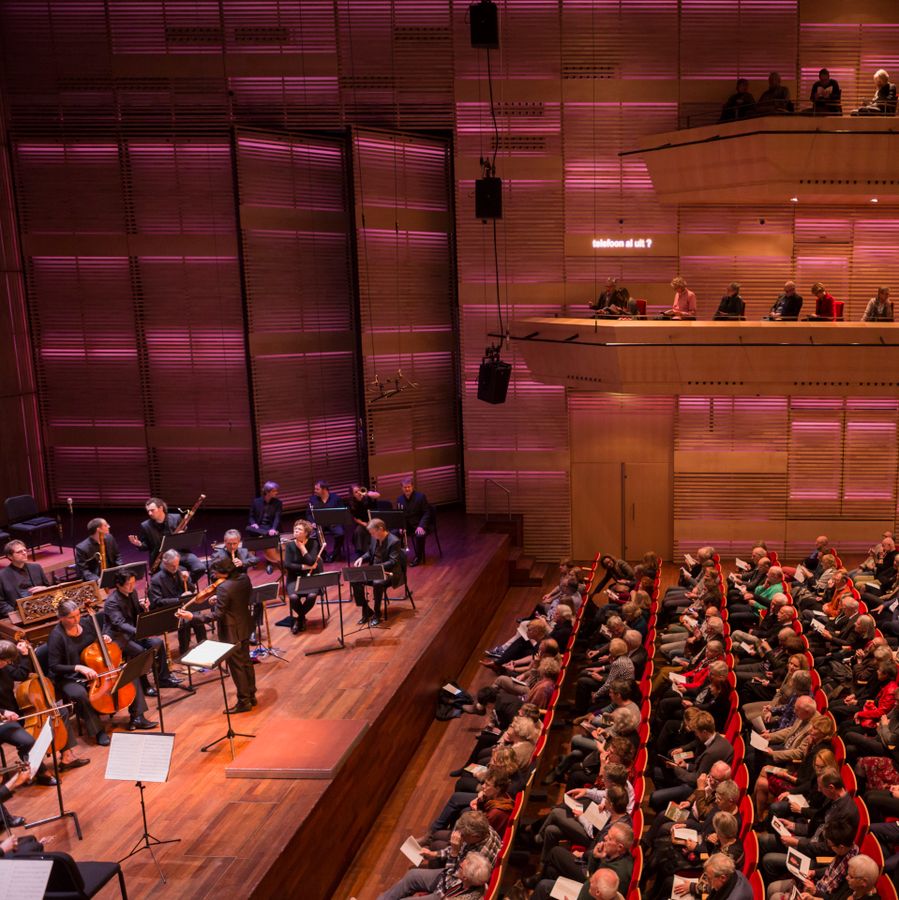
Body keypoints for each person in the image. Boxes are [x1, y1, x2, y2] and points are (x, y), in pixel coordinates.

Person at [47, 599, 156, 745]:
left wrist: (104, 637)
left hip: (96, 668)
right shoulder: (56, 636)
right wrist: (78, 668)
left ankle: (138, 717)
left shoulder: (86, 623)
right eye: (71, 617)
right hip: (70, 676)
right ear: (61, 618)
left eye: (78, 615)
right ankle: (98, 731)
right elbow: (54, 666)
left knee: (128, 676)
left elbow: (98, 638)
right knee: (79, 694)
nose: (76, 620)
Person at [0, 639, 88, 784]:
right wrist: (3, 712)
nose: (7, 664)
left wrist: (24, 655)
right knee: (27, 741)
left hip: (15, 713)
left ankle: (67, 756)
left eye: (9, 661)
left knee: (60, 713)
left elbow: (20, 675)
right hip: (4, 721)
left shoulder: (4, 667)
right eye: (5, 661)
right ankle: (41, 773)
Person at [177, 571, 257, 713]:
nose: (214, 576)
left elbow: (217, 615)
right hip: (245, 626)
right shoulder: (242, 578)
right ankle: (251, 695)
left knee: (237, 667)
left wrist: (192, 617)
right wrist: (219, 599)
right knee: (246, 662)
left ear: (223, 571)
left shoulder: (224, 587)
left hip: (232, 632)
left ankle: (244, 701)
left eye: (216, 572)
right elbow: (235, 599)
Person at [376, 810, 501, 900]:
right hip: (453, 876)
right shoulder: (485, 829)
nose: (459, 837)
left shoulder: (480, 857)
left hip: (451, 890)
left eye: (463, 836)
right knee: (412, 875)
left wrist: (454, 852)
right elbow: (459, 854)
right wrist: (434, 854)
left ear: (475, 836)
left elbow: (450, 881)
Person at [103, 570, 181, 694]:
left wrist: (143, 607)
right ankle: (145, 686)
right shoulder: (112, 602)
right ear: (118, 585)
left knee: (158, 643)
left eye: (133, 583)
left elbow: (135, 614)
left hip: (134, 633)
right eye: (129, 583)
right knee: (140, 652)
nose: (132, 586)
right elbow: (120, 623)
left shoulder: (132, 593)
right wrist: (140, 631)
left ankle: (163, 679)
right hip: (119, 637)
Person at [128, 498, 205, 583]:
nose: (150, 513)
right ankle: (182, 587)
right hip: (162, 559)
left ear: (160, 508)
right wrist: (139, 544)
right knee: (177, 574)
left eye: (152, 510)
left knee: (200, 568)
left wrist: (182, 535)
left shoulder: (176, 518)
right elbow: (147, 546)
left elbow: (185, 540)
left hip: (181, 553)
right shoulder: (145, 526)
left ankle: (187, 584)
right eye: (148, 511)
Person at [148, 549, 206, 655]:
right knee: (185, 622)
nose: (176, 568)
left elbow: (191, 590)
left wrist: (187, 580)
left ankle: (204, 648)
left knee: (197, 618)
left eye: (177, 564)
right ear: (165, 563)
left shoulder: (180, 571)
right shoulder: (156, 580)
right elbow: (156, 602)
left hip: (185, 606)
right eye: (172, 566)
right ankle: (184, 653)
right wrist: (179, 599)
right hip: (170, 610)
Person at [351, 518, 406, 626]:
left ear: (380, 529)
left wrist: (377, 567)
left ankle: (377, 613)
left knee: (377, 583)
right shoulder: (374, 538)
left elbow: (393, 561)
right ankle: (366, 610)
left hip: (390, 572)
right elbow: (370, 553)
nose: (371, 535)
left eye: (373, 532)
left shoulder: (394, 541)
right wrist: (362, 558)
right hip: (375, 570)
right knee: (355, 580)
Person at [209, 529, 261, 642]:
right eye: (229, 544)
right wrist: (225, 574)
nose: (232, 546)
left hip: (242, 588)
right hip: (227, 590)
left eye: (234, 544)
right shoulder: (217, 555)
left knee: (258, 603)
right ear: (224, 542)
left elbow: (256, 559)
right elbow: (212, 575)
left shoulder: (243, 551)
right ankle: (231, 636)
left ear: (239, 542)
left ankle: (251, 630)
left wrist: (243, 563)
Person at [282, 520, 323, 634]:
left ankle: (299, 619)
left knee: (312, 595)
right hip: (294, 577)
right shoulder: (290, 545)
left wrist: (302, 548)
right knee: (293, 597)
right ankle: (301, 619)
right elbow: (288, 565)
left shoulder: (313, 543)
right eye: (295, 528)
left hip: (310, 577)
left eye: (299, 529)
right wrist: (303, 567)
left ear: (306, 533)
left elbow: (312, 561)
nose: (296, 530)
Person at [0, 539, 50, 616]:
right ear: (10, 556)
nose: (24, 553)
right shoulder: (2, 575)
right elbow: (1, 603)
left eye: (25, 550)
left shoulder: (36, 568)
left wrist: (45, 589)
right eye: (19, 552)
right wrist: (17, 614)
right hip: (18, 614)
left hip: (42, 609)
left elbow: (50, 588)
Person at [246, 481, 282, 572]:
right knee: (249, 528)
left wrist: (273, 528)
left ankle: (269, 560)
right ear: (267, 492)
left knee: (269, 534)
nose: (276, 493)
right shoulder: (256, 502)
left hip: (270, 527)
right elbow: (251, 516)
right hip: (259, 527)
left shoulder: (278, 503)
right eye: (274, 491)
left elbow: (277, 518)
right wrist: (253, 523)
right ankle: (252, 559)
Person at [396, 477, 433, 567]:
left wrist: (421, 526)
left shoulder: (421, 496)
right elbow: (400, 515)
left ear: (412, 487)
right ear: (402, 488)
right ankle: (397, 557)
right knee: (394, 533)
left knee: (419, 535)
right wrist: (402, 527)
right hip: (408, 526)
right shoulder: (399, 499)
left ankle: (418, 557)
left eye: (409, 487)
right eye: (405, 487)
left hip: (419, 524)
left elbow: (427, 513)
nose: (407, 489)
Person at [74, 518, 123, 582]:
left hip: (112, 575)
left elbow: (117, 555)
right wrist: (97, 580)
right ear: (98, 530)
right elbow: (84, 570)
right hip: (96, 579)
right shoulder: (82, 548)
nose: (109, 526)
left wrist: (120, 569)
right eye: (105, 525)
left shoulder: (109, 538)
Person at [307, 480, 345, 562]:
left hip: (334, 523)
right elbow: (309, 514)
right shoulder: (312, 499)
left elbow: (342, 512)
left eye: (317, 489)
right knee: (315, 536)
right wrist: (312, 522)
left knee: (340, 534)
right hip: (319, 524)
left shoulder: (336, 498)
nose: (315, 491)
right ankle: (323, 555)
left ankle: (335, 554)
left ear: (324, 489)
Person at [347, 484, 382, 558]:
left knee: (374, 530)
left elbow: (378, 495)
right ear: (353, 495)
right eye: (356, 492)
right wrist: (364, 524)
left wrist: (368, 494)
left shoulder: (367, 498)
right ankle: (361, 552)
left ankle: (374, 552)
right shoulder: (352, 504)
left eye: (359, 490)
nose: (359, 493)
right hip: (363, 523)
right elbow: (355, 518)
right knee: (358, 531)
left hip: (373, 521)